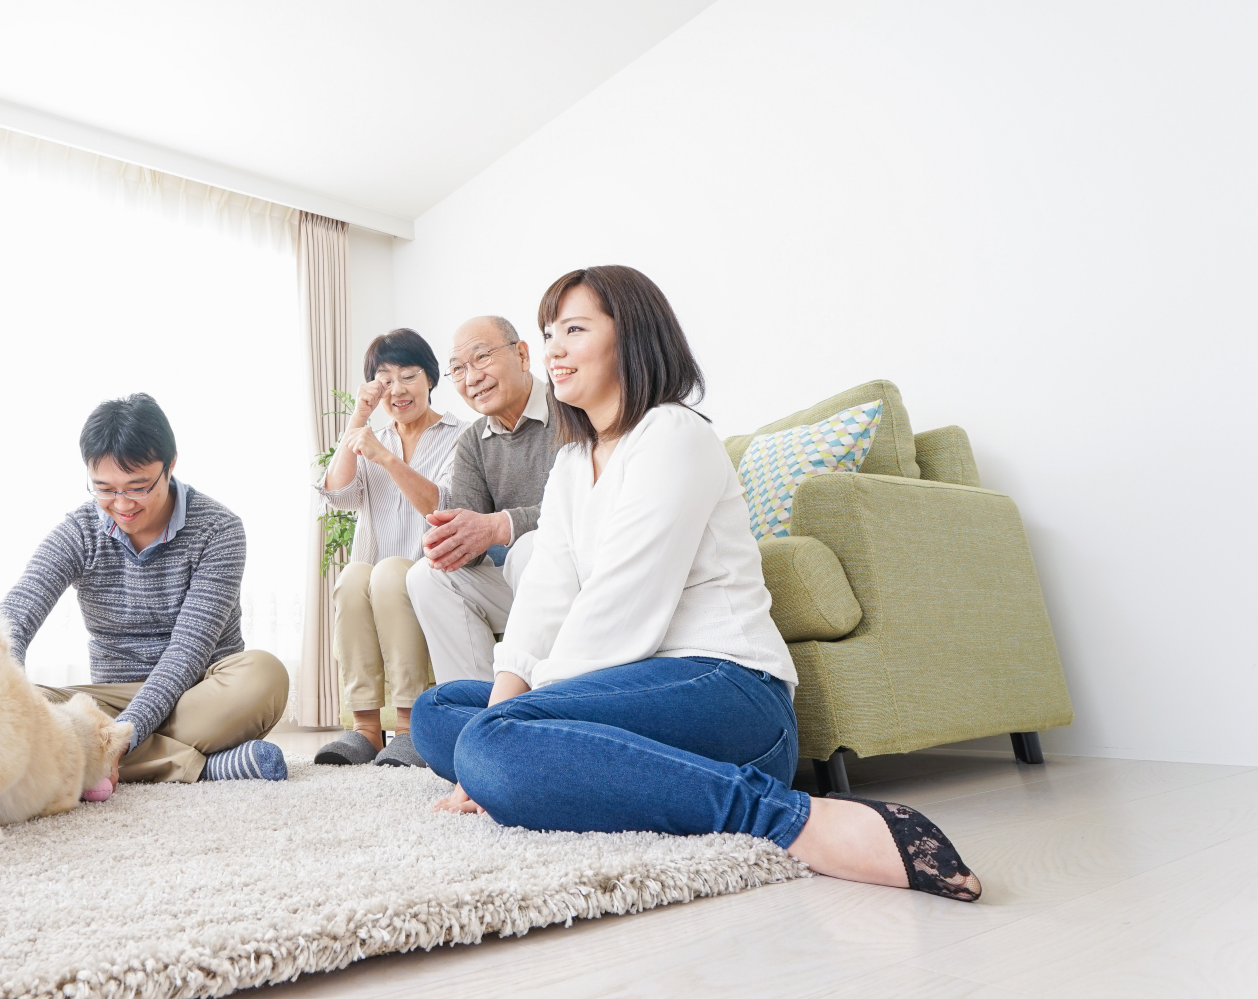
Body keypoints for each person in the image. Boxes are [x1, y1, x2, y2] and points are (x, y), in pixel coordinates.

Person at [412, 266, 983, 903]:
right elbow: (547, 594)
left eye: (574, 329)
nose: (554, 349)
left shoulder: (674, 435)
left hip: (728, 690)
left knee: (490, 745)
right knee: (440, 713)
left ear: (630, 337)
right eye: (550, 333)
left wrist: (508, 728)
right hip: (633, 689)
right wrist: (507, 705)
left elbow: (621, 608)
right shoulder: (573, 463)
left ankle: (785, 819)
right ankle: (561, 760)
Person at [1, 393, 291, 786]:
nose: (121, 505)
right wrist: (8, 687)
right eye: (104, 488)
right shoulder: (81, 530)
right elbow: (15, 615)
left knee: (263, 676)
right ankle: (206, 767)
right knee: (5, 706)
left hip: (196, 693)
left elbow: (187, 653)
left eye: (137, 487)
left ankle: (101, 753)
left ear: (170, 466)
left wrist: (126, 733)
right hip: (110, 699)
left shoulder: (219, 530)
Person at [312, 328, 464, 768]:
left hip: (433, 572)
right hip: (378, 574)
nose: (397, 389)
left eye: (409, 375)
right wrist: (357, 419)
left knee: (391, 572)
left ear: (430, 379)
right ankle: (365, 728)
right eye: (385, 378)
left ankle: (411, 726)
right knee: (354, 575)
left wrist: (384, 457)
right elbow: (338, 494)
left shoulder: (460, 436)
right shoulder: (371, 434)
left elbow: (443, 505)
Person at [405, 316, 559, 684]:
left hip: (574, 578)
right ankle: (473, 718)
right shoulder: (474, 440)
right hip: (518, 588)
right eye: (458, 369)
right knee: (426, 576)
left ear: (522, 355)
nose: (471, 378)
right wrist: (451, 541)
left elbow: (579, 507)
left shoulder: (569, 407)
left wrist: (499, 526)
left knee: (529, 549)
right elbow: (471, 548)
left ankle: (541, 706)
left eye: (482, 358)